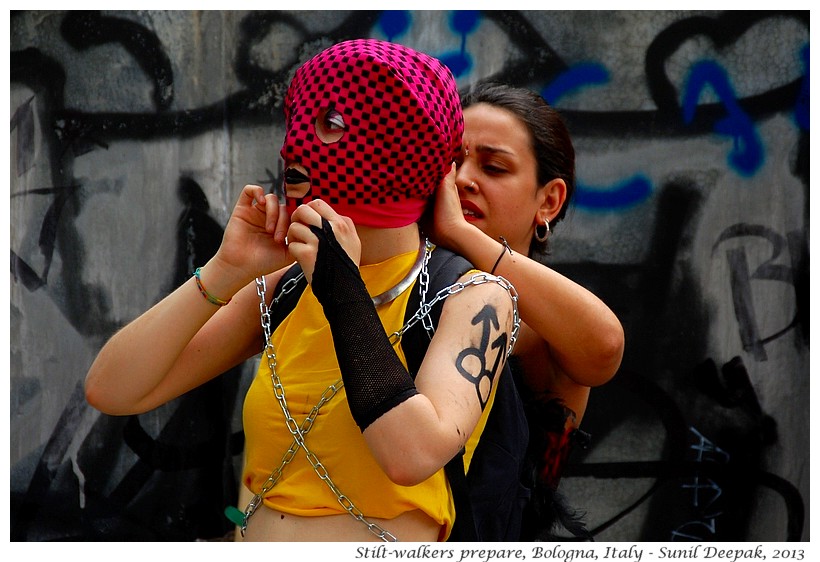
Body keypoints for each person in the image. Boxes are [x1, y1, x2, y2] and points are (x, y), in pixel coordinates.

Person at [85, 40, 518, 542]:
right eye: (298, 118)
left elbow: (412, 455)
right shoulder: (284, 288)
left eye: (332, 124)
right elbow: (112, 389)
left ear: (400, 148)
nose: (296, 145)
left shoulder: (474, 297)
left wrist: (344, 294)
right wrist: (228, 269)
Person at [427, 81, 625, 538]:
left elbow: (605, 345)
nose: (461, 179)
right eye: (452, 162)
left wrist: (460, 234)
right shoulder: (402, 281)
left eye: (493, 167)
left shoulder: (549, 326)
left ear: (548, 201)